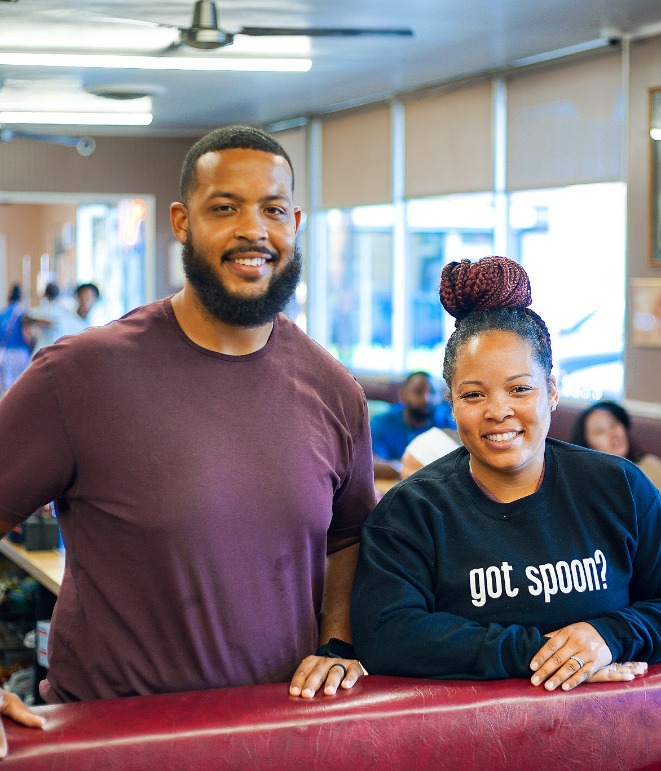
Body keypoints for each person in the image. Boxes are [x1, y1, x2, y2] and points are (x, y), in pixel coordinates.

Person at [0, 125, 374, 733]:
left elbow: (349, 536)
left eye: (273, 210)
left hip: (278, 737)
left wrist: (337, 643)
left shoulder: (333, 389)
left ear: (296, 223)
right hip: (111, 742)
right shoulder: (81, 374)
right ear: (181, 221)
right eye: (224, 207)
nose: (253, 229)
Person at [352, 255, 660, 693]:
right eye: (474, 394)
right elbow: (386, 635)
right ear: (453, 403)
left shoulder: (620, 488)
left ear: (551, 390)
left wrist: (609, 637)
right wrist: (542, 653)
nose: (499, 412)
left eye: (520, 389)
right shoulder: (412, 511)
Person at [370, 371, 456, 479]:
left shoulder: (447, 424)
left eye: (432, 392)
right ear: (402, 395)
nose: (426, 398)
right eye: (418, 392)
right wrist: (409, 468)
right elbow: (371, 465)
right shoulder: (382, 422)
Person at [571, 400, 661, 490]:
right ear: (586, 445)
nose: (612, 433)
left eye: (613, 424)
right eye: (599, 431)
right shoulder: (585, 484)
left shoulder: (650, 466)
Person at [0, 284, 32, 397]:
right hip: (19, 354)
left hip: (3, 354)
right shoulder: (22, 314)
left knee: (5, 391)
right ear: (21, 297)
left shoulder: (2, 313)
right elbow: (27, 335)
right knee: (17, 390)